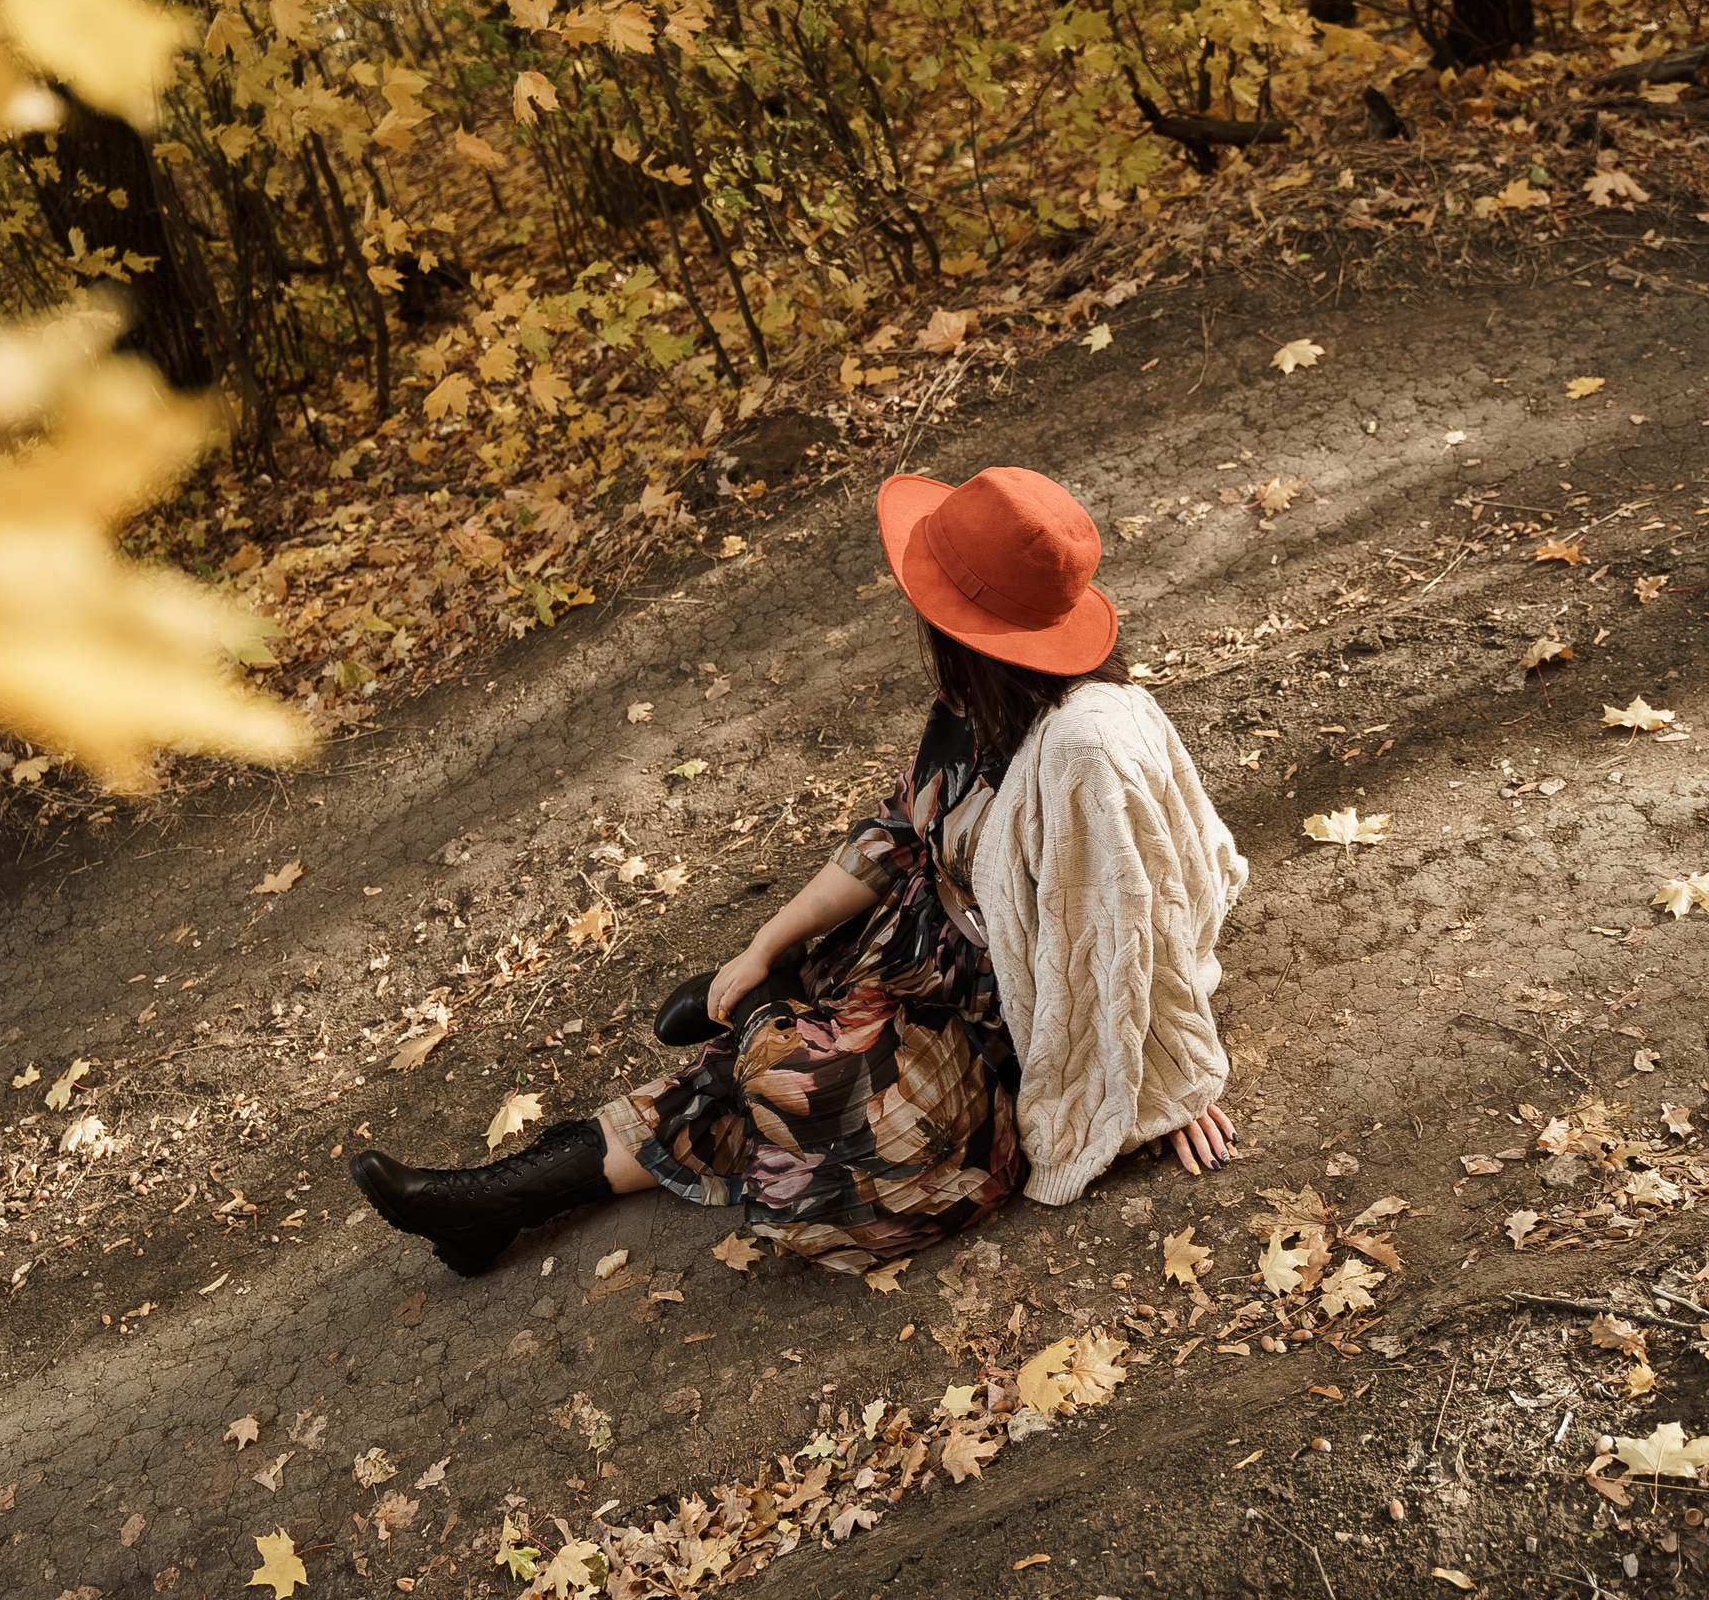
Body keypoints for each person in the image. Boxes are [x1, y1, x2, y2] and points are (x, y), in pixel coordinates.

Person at [349, 467, 1250, 1278]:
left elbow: (1126, 929)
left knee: (791, 1083)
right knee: (743, 1072)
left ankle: (755, 1040)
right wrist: (764, 942)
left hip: (997, 1015)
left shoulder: (1084, 746)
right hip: (914, 952)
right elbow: (896, 832)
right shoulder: (975, 701)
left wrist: (1165, 1085)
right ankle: (495, 1203)